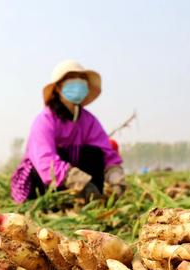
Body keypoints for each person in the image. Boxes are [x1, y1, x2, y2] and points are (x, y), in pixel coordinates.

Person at [10, 60, 124, 203]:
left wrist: (116, 180)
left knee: (95, 154)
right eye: (71, 78)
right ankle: (57, 203)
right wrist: (79, 181)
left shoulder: (89, 121)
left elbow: (107, 154)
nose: (77, 82)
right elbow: (45, 161)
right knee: (43, 167)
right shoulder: (45, 120)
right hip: (42, 181)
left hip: (74, 179)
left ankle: (89, 200)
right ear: (58, 88)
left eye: (81, 79)